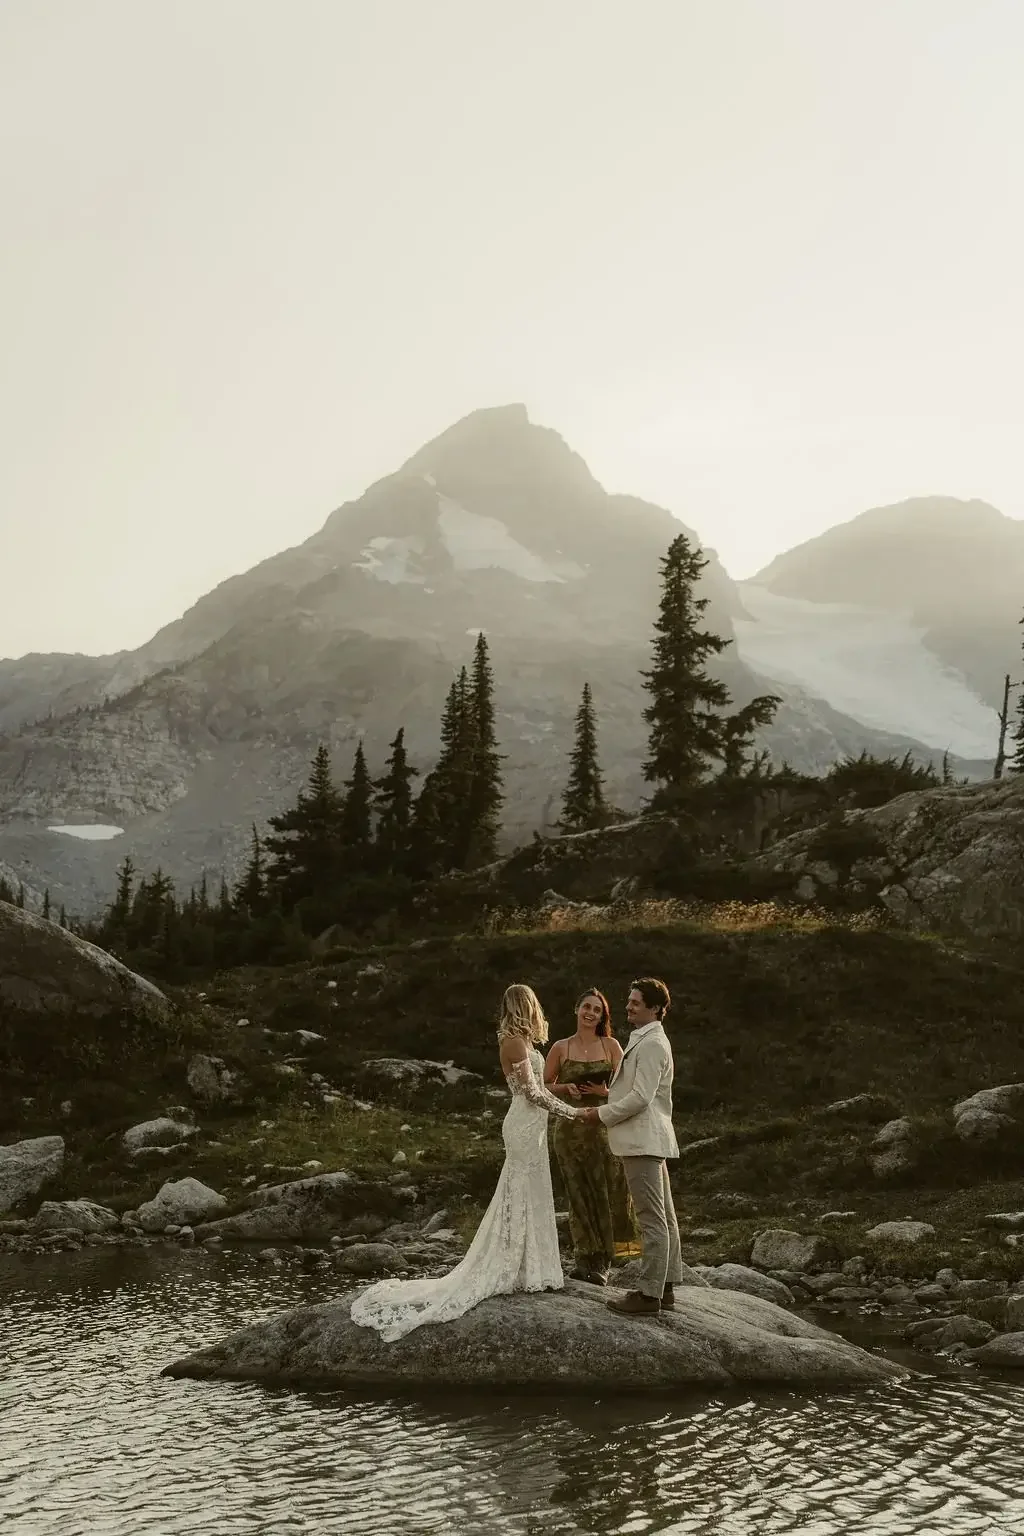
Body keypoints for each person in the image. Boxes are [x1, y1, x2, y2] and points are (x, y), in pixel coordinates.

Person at [349, 983, 586, 1342]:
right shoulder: (514, 1043)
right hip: (523, 1127)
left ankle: (532, 1268)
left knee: (535, 1192)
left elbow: (537, 1089)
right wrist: (572, 1113)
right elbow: (530, 1093)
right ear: (526, 1007)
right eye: (533, 1005)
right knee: (519, 1192)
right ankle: (514, 1268)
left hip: (534, 1126)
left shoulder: (524, 1043)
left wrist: (564, 1092)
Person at [581, 976, 682, 1317]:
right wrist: (605, 1097)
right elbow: (635, 1092)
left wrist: (601, 1114)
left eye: (636, 1002)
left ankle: (649, 1295)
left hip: (642, 1141)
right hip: (648, 1138)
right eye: (629, 1001)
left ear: (655, 1008)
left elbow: (641, 1097)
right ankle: (665, 1288)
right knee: (664, 1217)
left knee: (651, 1219)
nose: (628, 1006)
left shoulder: (653, 1043)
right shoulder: (647, 1039)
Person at [544, 987, 640, 1284]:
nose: (590, 1013)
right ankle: (584, 1257)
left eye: (597, 1010)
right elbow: (543, 1085)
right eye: (586, 1007)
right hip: (569, 1130)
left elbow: (629, 1089)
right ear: (577, 1009)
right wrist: (564, 1088)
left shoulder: (611, 1045)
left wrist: (604, 1092)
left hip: (604, 1128)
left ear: (602, 1016)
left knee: (610, 1189)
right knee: (578, 1193)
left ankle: (609, 1260)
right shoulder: (561, 1047)